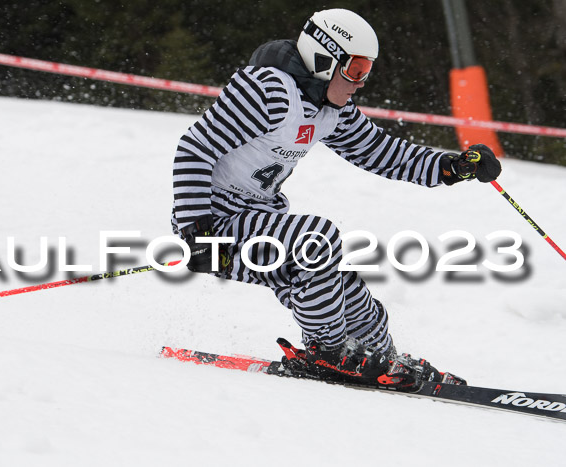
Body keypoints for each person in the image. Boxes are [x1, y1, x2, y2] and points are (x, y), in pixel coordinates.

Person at [171, 9, 501, 390]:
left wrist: (452, 167)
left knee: (350, 294)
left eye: (367, 71)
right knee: (317, 238)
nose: (361, 83)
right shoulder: (266, 90)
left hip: (261, 219)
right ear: (325, 58)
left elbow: (381, 152)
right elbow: (195, 150)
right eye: (357, 69)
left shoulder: (331, 110)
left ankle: (382, 358)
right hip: (218, 223)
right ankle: (328, 353)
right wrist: (200, 232)